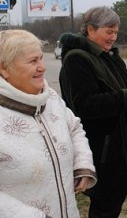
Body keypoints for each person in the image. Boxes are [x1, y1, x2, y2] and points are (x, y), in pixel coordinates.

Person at [59, 6, 127, 218]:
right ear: (91, 30)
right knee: (105, 205)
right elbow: (83, 106)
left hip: (119, 146)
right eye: (109, 32)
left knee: (112, 204)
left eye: (116, 32)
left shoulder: (109, 56)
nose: (113, 37)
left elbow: (121, 92)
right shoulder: (77, 59)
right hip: (103, 150)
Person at [0, 29, 97, 218]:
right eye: (33, 61)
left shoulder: (50, 97)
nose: (42, 67)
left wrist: (82, 163)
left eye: (41, 58)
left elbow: (74, 127)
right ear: (4, 68)